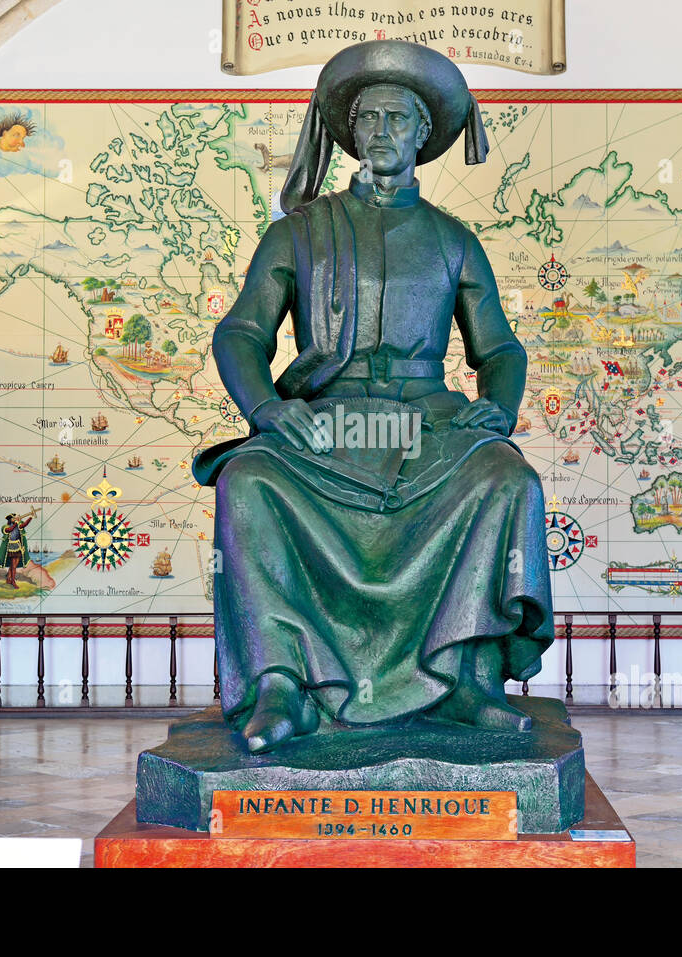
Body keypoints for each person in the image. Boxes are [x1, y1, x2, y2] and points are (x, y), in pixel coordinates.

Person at [193, 41, 554, 754]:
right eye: (370, 118)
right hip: (330, 425)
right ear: (351, 133)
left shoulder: (453, 240)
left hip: (430, 426)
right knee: (249, 480)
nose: (383, 129)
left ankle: (469, 683)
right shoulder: (299, 232)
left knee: (508, 480)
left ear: (425, 135)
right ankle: (282, 686)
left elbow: (500, 349)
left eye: (400, 117)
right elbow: (239, 333)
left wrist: (500, 407)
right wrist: (267, 410)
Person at [0, 511, 34, 588]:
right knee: (13, 566)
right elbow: (9, 530)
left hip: (17, 546)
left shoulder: (18, 525)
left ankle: (9, 579)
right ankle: (13, 581)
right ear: (10, 519)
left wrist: (31, 517)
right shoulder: (5, 527)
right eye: (14, 518)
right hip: (9, 547)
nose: (16, 518)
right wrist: (16, 523)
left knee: (14, 565)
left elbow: (24, 524)